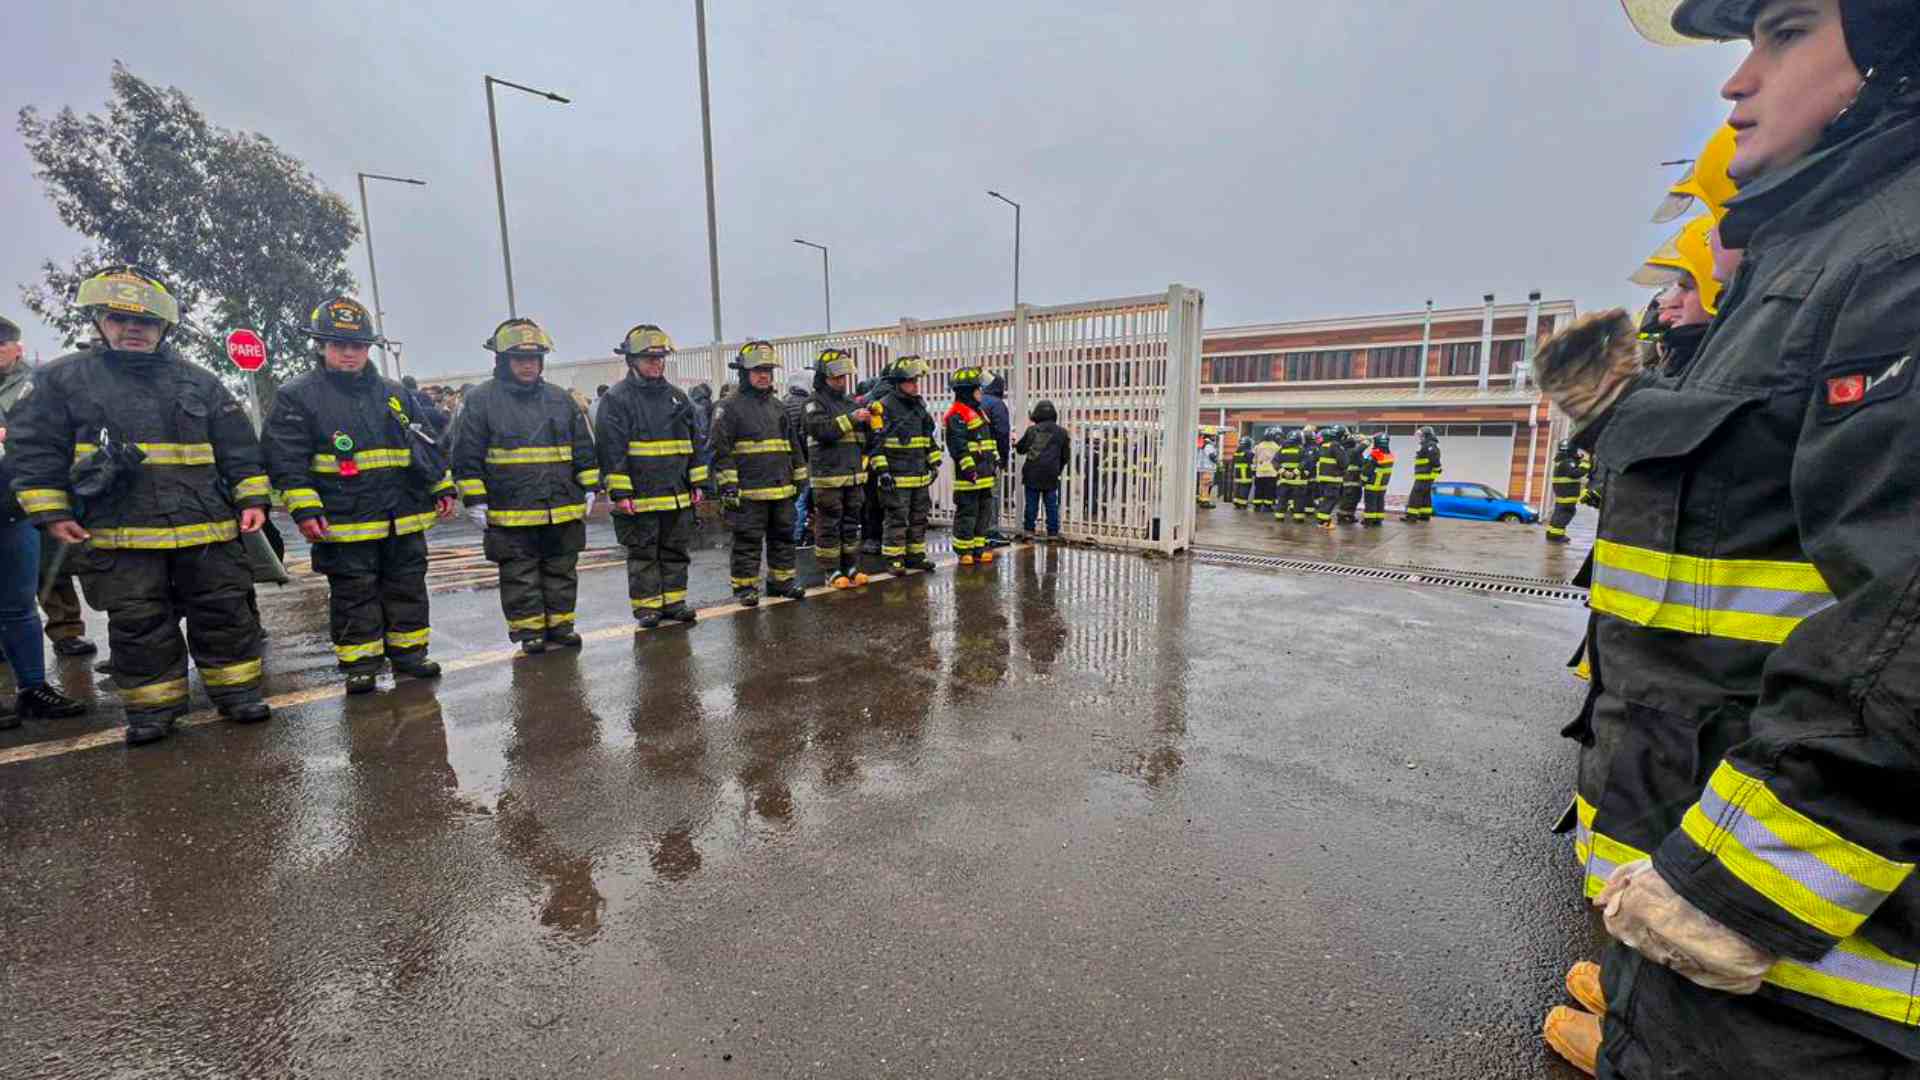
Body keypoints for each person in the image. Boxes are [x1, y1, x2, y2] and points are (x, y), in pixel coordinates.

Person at [1534, 3, 1920, 1075]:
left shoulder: (1892, 262)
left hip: (1804, 960)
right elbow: (1730, 521)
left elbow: (1902, 626)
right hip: (1713, 906)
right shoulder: (1815, 265)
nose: (1735, 81)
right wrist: (1619, 403)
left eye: (1786, 33)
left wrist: (1734, 887)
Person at [9, 267, 272, 743]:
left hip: (206, 528)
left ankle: (237, 694)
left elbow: (239, 448)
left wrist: (253, 497)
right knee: (139, 620)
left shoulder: (200, 383)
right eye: (119, 317)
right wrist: (52, 511)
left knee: (224, 612)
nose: (134, 328)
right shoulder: (63, 381)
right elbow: (33, 449)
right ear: (99, 321)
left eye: (146, 321)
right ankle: (154, 709)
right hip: (120, 533)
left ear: (163, 327)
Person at [264, 297, 456, 694]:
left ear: (368, 348)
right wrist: (304, 508)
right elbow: (286, 459)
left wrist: (442, 486)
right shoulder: (297, 396)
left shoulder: (393, 393)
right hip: (343, 520)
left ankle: (409, 655)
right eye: (339, 345)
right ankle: (360, 665)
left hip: (401, 517)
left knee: (407, 586)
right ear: (321, 346)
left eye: (356, 345)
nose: (349, 353)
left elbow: (424, 445)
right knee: (354, 593)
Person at [451, 318, 598, 655]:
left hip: (560, 506)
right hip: (509, 509)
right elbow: (466, 455)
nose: (528, 365)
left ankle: (561, 626)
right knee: (520, 574)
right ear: (502, 361)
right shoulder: (481, 401)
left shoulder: (561, 400)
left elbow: (582, 449)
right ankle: (529, 632)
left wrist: (590, 486)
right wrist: (474, 499)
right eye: (519, 359)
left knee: (561, 570)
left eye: (533, 359)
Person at [0, 314, 87, 728]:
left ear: (17, 347)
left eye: (3, 343)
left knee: (19, 606)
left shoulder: (39, 383)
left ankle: (33, 688)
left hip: (11, 506)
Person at [596, 325, 703, 628]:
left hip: (676, 493)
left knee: (675, 550)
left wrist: (698, 482)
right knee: (643, 554)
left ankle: (675, 602)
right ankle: (647, 607)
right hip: (639, 496)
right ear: (632, 361)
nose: (656, 364)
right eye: (649, 359)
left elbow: (694, 443)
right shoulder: (617, 399)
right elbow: (611, 450)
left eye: (660, 358)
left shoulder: (678, 398)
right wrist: (621, 493)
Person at [710, 341, 808, 606]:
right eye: (757, 370)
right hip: (748, 491)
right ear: (744, 372)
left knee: (783, 537)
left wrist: (800, 475)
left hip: (781, 488)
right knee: (747, 541)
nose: (764, 375)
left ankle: (782, 582)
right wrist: (728, 486)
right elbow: (721, 450)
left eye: (767, 369)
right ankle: (745, 588)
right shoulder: (728, 407)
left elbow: (793, 444)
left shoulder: (779, 407)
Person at [801, 348, 873, 589]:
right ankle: (831, 570)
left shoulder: (849, 402)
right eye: (836, 378)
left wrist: (871, 423)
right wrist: (853, 418)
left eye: (844, 377)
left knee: (851, 524)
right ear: (823, 377)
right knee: (829, 525)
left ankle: (851, 566)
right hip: (828, 477)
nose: (841, 382)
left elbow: (862, 440)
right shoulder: (813, 403)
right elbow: (822, 431)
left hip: (852, 475)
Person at [1629, 214, 1725, 378]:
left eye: (1686, 287)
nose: (1670, 302)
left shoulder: (1719, 363)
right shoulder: (1680, 346)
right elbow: (1644, 336)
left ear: (1718, 294)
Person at [870, 356, 940, 573]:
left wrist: (934, 462)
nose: (915, 385)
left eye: (916, 381)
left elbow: (928, 438)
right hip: (896, 478)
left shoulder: (919, 405)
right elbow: (875, 445)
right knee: (897, 519)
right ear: (899, 382)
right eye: (911, 381)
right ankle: (894, 559)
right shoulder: (882, 407)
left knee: (919, 518)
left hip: (919, 475)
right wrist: (883, 472)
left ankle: (915, 556)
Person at [943, 365, 1000, 566]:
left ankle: (978, 547)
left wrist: (995, 458)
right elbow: (958, 446)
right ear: (967, 392)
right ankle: (964, 550)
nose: (980, 393)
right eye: (977, 389)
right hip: (969, 477)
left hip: (984, 474)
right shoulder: (956, 414)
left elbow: (987, 439)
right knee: (967, 514)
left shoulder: (979, 412)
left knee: (984, 513)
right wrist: (968, 468)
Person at [1016, 398, 1070, 539]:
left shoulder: (1032, 430)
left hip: (1032, 473)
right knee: (1051, 504)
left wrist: (1016, 444)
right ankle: (1052, 533)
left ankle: (1029, 531)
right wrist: (1057, 469)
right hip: (1051, 474)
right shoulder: (1062, 432)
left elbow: (1021, 449)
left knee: (1031, 504)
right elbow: (1066, 456)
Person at [980, 374, 1013, 547]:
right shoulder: (997, 404)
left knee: (976, 496)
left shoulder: (976, 401)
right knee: (992, 495)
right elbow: (1002, 433)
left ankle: (977, 532)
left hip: (972, 459)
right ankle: (991, 532)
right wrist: (1004, 457)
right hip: (990, 459)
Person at [783, 370, 812, 547]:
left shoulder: (783, 402)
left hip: (784, 462)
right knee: (801, 499)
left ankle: (789, 533)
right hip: (802, 460)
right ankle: (796, 536)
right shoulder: (806, 404)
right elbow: (803, 436)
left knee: (791, 500)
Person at [1545, 440, 1591, 545]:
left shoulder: (1562, 461)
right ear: (1570, 450)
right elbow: (1575, 473)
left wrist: (1577, 459)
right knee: (1565, 514)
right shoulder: (1567, 462)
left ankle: (1552, 534)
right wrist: (1586, 462)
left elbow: (1571, 467)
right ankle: (1557, 537)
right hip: (1568, 494)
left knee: (1558, 513)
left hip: (1562, 494)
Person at [1403, 426, 1440, 522]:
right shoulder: (1427, 444)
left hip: (1425, 475)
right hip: (1424, 475)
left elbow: (1435, 459)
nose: (1420, 437)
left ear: (1426, 435)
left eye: (1421, 435)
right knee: (1425, 495)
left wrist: (1436, 470)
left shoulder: (1430, 445)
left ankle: (1411, 516)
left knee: (1415, 495)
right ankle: (1425, 515)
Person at [1313, 424, 1347, 528]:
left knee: (1325, 500)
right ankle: (1323, 522)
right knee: (1330, 500)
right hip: (1333, 479)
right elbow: (1344, 463)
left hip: (1323, 479)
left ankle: (1323, 520)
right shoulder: (1336, 445)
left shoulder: (1323, 446)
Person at [1358, 432, 1394, 528]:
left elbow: (1367, 470)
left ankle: (1368, 520)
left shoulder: (1375, 454)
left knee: (1370, 502)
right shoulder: (1390, 455)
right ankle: (1378, 520)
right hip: (1383, 483)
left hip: (1373, 482)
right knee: (1380, 501)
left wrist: (1362, 480)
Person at [1276, 430, 1310, 523]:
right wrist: (1295, 472)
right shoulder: (1302, 450)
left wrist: (1284, 472)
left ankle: (1279, 517)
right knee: (1298, 500)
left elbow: (1274, 462)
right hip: (1298, 482)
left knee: (1282, 499)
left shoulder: (1281, 450)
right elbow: (1305, 462)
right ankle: (1298, 519)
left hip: (1284, 481)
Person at [1337, 428, 1365, 524]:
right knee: (1348, 499)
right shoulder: (1350, 451)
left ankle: (1350, 515)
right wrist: (1364, 440)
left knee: (1355, 498)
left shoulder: (1354, 451)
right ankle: (1342, 516)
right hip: (1350, 480)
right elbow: (1363, 445)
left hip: (1356, 479)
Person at [1249, 429, 1280, 512]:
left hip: (1260, 472)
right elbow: (1278, 459)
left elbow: (1254, 459)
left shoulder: (1258, 446)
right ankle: (1267, 506)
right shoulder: (1276, 446)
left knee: (1259, 489)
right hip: (1271, 472)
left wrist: (1254, 469)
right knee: (1269, 490)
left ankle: (1257, 506)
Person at [1194, 435, 1219, 507]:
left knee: (1203, 484)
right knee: (1206, 484)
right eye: (1213, 436)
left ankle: (1202, 499)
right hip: (1208, 468)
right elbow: (1211, 456)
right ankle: (1205, 502)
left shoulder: (1203, 445)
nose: (1215, 438)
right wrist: (1217, 462)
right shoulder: (1209, 446)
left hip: (1202, 468)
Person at [1231, 437, 1253, 508]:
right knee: (1245, 487)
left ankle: (1236, 502)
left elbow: (1233, 462)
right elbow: (1252, 461)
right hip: (1245, 472)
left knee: (1237, 487)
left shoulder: (1237, 451)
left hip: (1237, 473)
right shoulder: (1248, 452)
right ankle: (1243, 503)